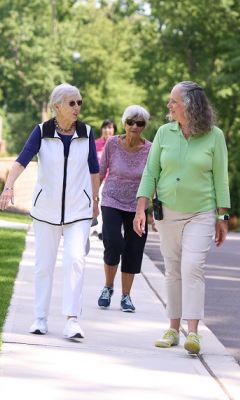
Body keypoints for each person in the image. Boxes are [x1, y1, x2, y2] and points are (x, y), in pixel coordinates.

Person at [133, 81, 230, 355]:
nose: (169, 105)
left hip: (200, 212)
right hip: (167, 213)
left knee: (192, 267)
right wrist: (141, 208)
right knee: (173, 270)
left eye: (173, 101)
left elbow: (221, 178)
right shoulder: (164, 133)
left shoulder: (214, 136)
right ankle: (173, 329)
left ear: (189, 104)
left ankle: (194, 333)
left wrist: (223, 215)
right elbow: (150, 173)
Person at [0, 83, 100, 340]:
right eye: (72, 103)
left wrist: (95, 199)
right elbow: (21, 160)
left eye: (79, 103)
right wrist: (8, 187)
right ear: (57, 106)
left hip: (79, 210)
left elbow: (94, 169)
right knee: (44, 265)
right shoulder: (41, 132)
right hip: (46, 211)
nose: (77, 107)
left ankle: (72, 320)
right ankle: (40, 318)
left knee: (76, 261)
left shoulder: (87, 133)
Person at [96, 105, 152, 313]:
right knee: (113, 242)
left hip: (137, 205)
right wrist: (93, 199)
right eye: (130, 122)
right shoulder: (112, 143)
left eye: (140, 123)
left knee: (134, 249)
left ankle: (126, 296)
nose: (134, 127)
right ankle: (108, 287)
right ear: (124, 123)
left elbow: (153, 179)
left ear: (145, 126)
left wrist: (149, 209)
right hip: (111, 199)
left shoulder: (150, 149)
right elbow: (101, 172)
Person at [92, 119, 116, 238]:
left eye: (110, 127)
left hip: (111, 180)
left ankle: (101, 229)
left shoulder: (118, 145)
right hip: (96, 179)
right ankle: (96, 228)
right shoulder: (95, 144)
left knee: (105, 204)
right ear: (102, 129)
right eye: (105, 127)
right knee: (97, 200)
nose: (107, 130)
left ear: (114, 130)